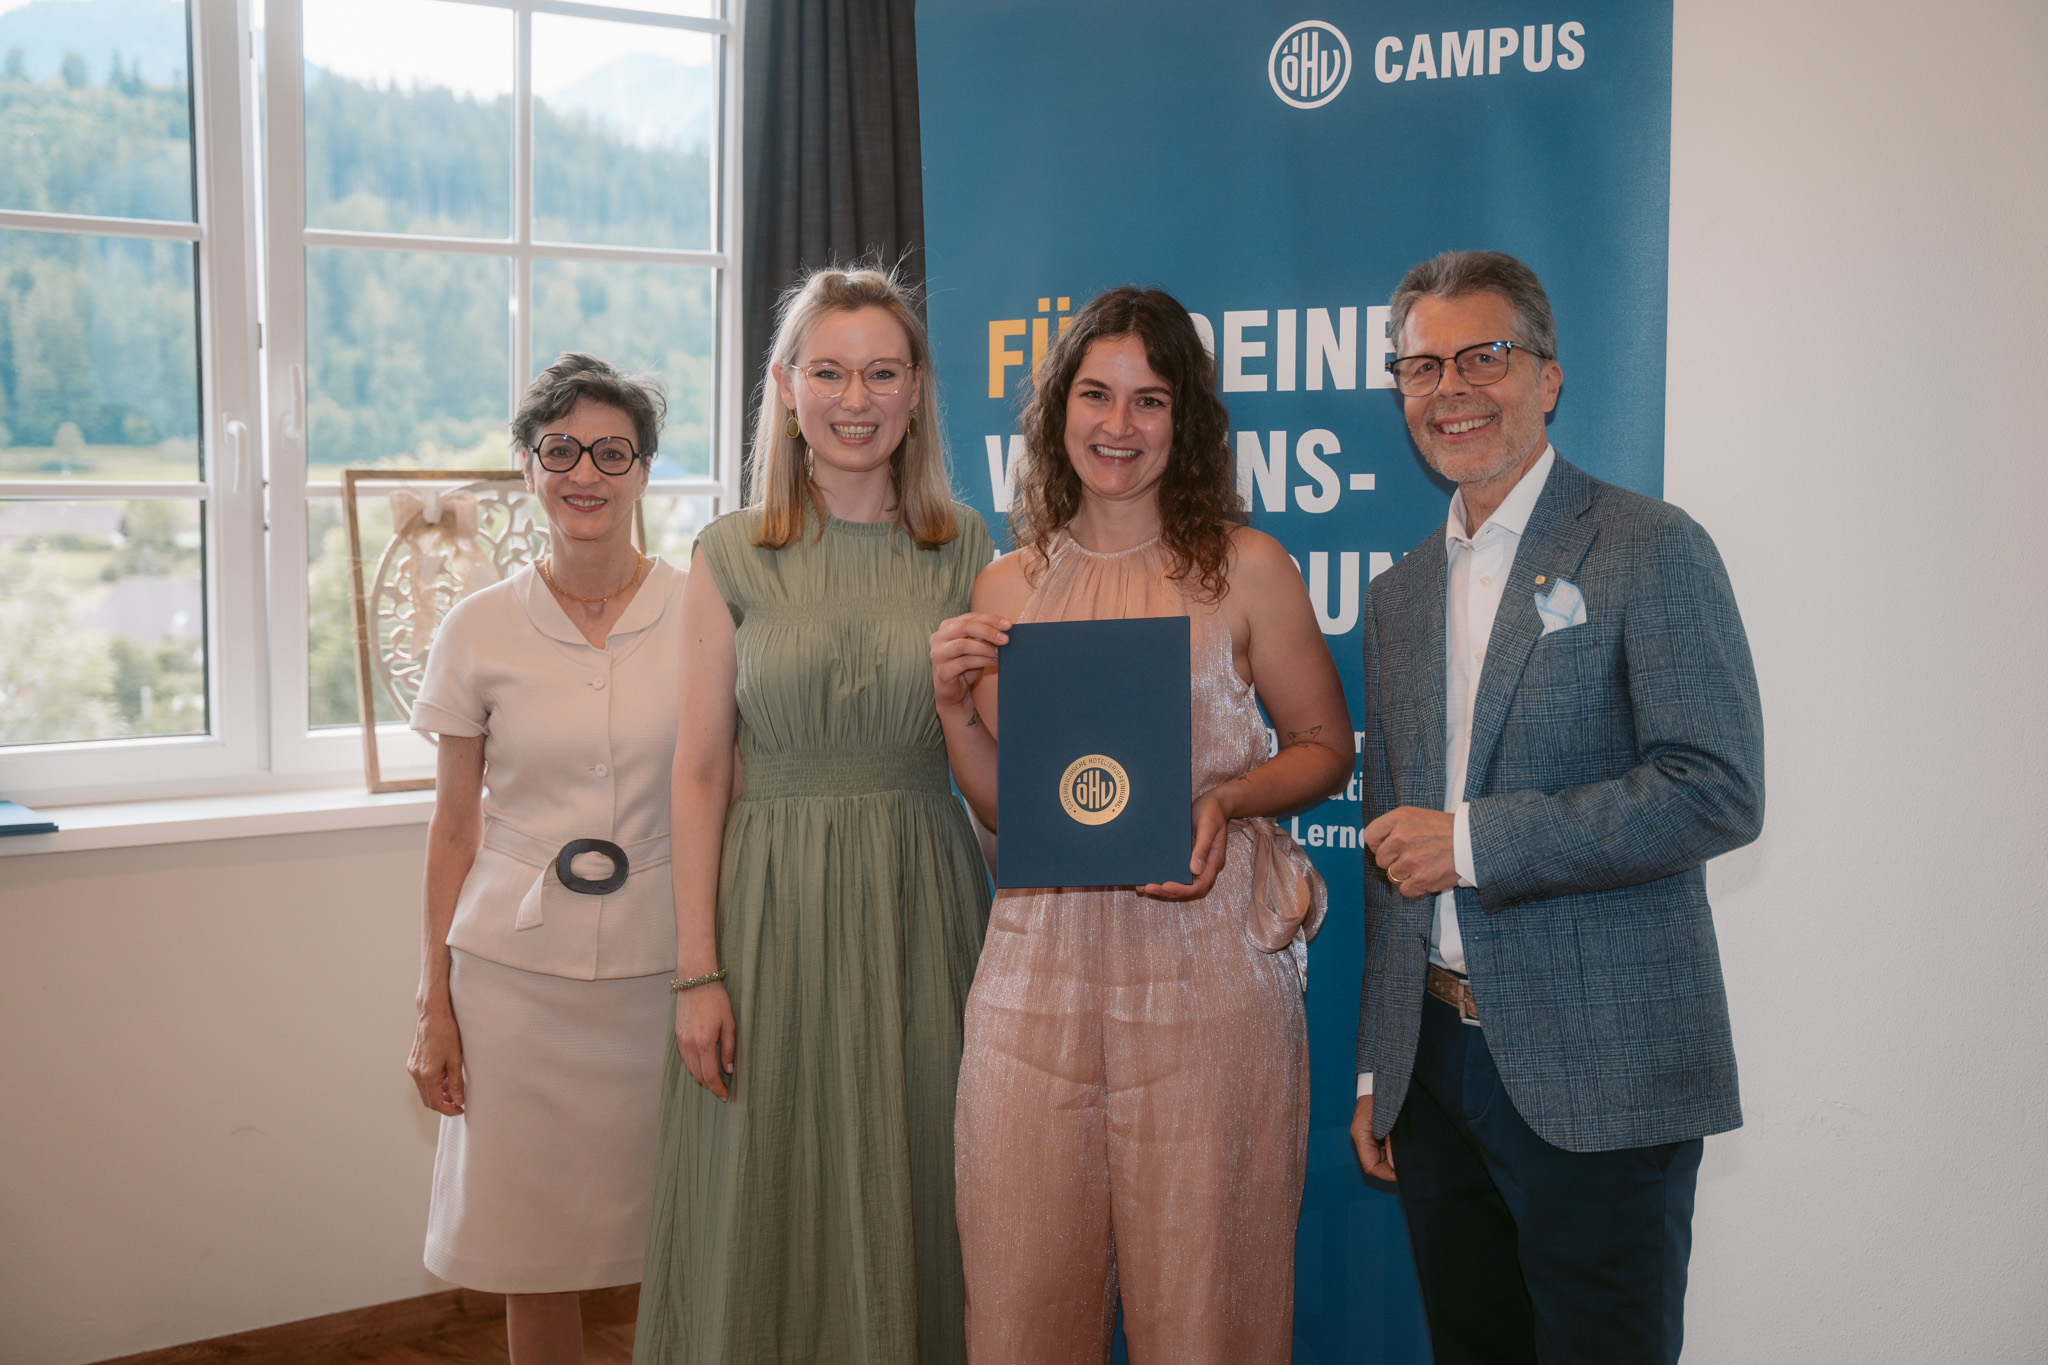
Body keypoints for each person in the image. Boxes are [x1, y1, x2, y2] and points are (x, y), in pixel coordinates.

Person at [1350, 250, 1765, 1364]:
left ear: (1547, 376)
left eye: (1483, 356)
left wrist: (1475, 843)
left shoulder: (1649, 545)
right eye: (1422, 366)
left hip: (1604, 1071)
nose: (1451, 388)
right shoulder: (1397, 597)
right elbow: (1389, 849)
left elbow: (1716, 787)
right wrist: (1381, 1067)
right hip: (1435, 1075)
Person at [929, 286, 1353, 1364]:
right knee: (1021, 1301)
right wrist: (950, 710)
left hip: (1208, 974)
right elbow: (1007, 807)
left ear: (1185, 420)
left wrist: (1226, 798)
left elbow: (1324, 745)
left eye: (1149, 400)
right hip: (1035, 980)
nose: (1118, 425)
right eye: (1095, 394)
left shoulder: (1246, 566)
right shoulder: (1005, 584)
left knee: (1206, 1301)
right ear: (1057, 411)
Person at [633, 266, 994, 1365]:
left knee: (917, 1172)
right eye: (829, 372)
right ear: (786, 389)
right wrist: (696, 971)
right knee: (764, 1187)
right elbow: (701, 770)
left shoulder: (968, 549)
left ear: (918, 389)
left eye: (882, 373)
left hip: (921, 908)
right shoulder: (729, 551)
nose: (856, 399)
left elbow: (997, 765)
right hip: (767, 914)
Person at [405, 353, 682, 1365]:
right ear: (527, 466)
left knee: (682, 1235)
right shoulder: (476, 628)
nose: (585, 473)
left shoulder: (703, 611)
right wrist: (433, 1005)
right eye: (561, 449)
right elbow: (452, 829)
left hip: (664, 971)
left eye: (612, 452)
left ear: (644, 470)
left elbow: (728, 798)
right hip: (514, 984)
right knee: (533, 1252)